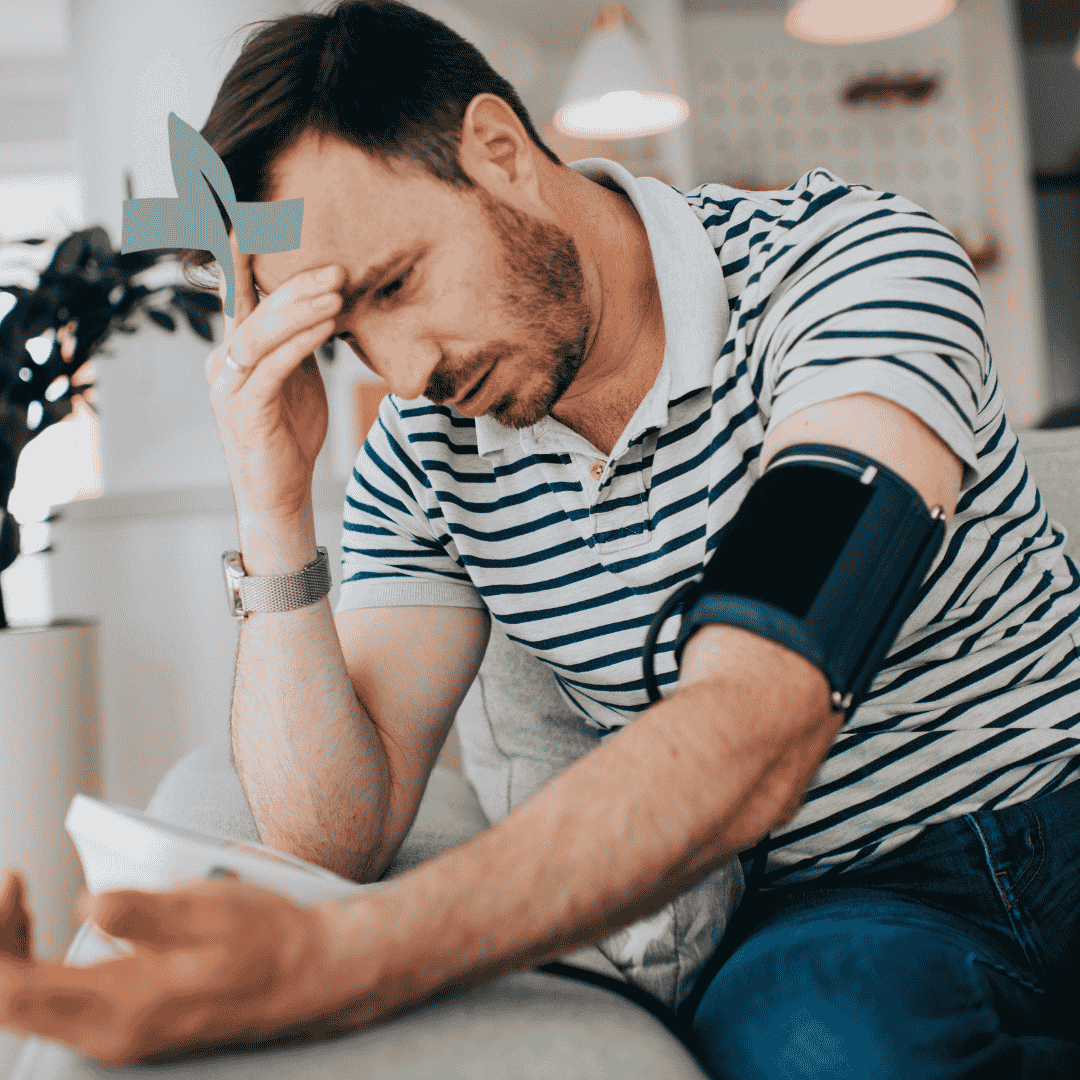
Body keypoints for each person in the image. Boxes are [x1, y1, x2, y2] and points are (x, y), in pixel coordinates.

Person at [2, 1, 1079, 1075]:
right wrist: (271, 503)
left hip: (1062, 799)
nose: (404, 369)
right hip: (844, 905)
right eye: (345, 331)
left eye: (394, 283)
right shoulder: (430, 448)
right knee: (814, 1048)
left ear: (501, 151)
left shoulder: (846, 271)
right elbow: (334, 835)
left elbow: (760, 713)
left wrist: (344, 957)